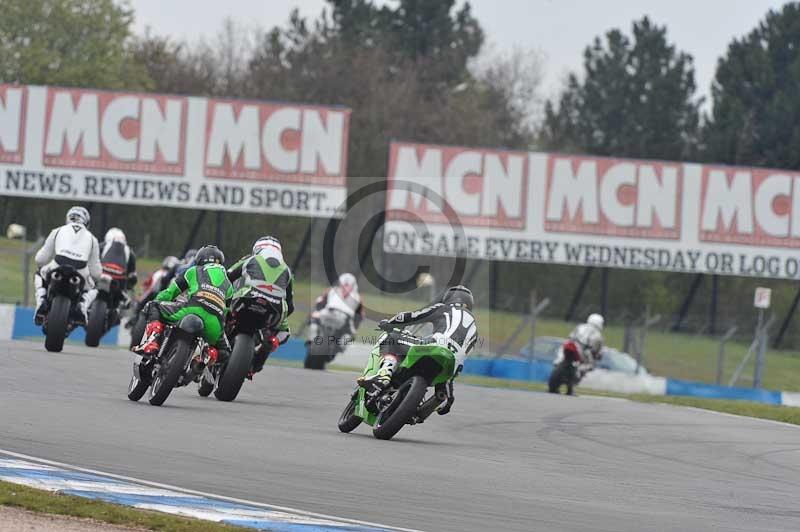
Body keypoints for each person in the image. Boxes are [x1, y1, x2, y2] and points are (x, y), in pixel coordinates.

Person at [360, 285, 478, 415]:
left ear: (449, 298)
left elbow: (413, 316)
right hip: (450, 365)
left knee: (392, 338)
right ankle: (437, 400)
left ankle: (383, 377)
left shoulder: (444, 308)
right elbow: (460, 362)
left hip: (433, 346)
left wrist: (390, 323)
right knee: (442, 389)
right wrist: (449, 398)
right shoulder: (475, 331)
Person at [133, 245, 233, 360]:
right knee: (226, 351)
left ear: (199, 260)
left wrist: (158, 300)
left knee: (152, 305)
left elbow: (170, 293)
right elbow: (226, 312)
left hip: (192, 308)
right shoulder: (229, 285)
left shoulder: (194, 270)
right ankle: (207, 357)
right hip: (214, 323)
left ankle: (152, 341)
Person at [227, 236, 295, 376]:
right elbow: (290, 305)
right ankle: (261, 355)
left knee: (223, 312)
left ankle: (222, 334)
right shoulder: (287, 270)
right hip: (274, 311)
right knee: (282, 334)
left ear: (257, 249)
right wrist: (272, 327)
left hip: (245, 300)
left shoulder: (249, 259)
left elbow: (227, 277)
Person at [33, 206, 104, 325]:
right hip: (80, 270)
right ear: (86, 222)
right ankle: (83, 305)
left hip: (57, 264)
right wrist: (94, 279)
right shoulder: (93, 239)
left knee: (38, 273)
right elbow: (96, 273)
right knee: (95, 287)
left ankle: (41, 299)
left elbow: (40, 259)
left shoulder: (57, 230)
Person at [306, 273, 364, 346]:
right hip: (345, 319)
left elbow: (319, 301)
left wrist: (317, 312)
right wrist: (354, 328)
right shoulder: (358, 297)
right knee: (351, 334)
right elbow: (360, 315)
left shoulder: (332, 290)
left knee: (313, 319)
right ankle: (341, 346)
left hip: (329, 313)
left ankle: (311, 339)